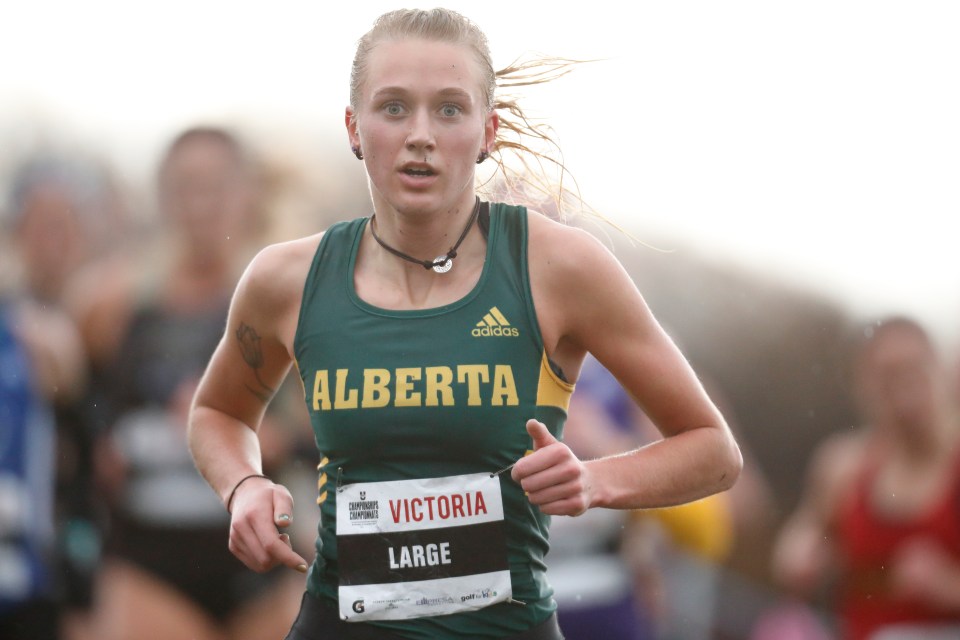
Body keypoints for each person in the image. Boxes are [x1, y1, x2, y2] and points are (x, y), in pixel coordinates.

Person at [188, 8, 742, 640]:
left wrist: (595, 480)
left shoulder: (559, 266)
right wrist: (244, 486)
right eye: (393, 107)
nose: (420, 134)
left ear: (488, 131)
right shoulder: (287, 279)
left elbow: (713, 452)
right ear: (353, 127)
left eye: (449, 109)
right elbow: (219, 414)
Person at [75, 127, 302, 640]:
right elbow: (77, 411)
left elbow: (329, 431)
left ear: (248, 193)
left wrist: (255, 436)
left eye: (216, 185)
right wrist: (104, 445)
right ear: (162, 198)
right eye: (185, 186)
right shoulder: (111, 307)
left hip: (262, 563)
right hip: (150, 563)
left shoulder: (290, 299)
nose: (201, 204)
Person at [772, 317, 960, 640]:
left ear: (941, 370)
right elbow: (802, 543)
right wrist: (803, 555)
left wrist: (947, 585)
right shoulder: (844, 466)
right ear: (863, 388)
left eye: (913, 370)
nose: (902, 388)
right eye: (886, 376)